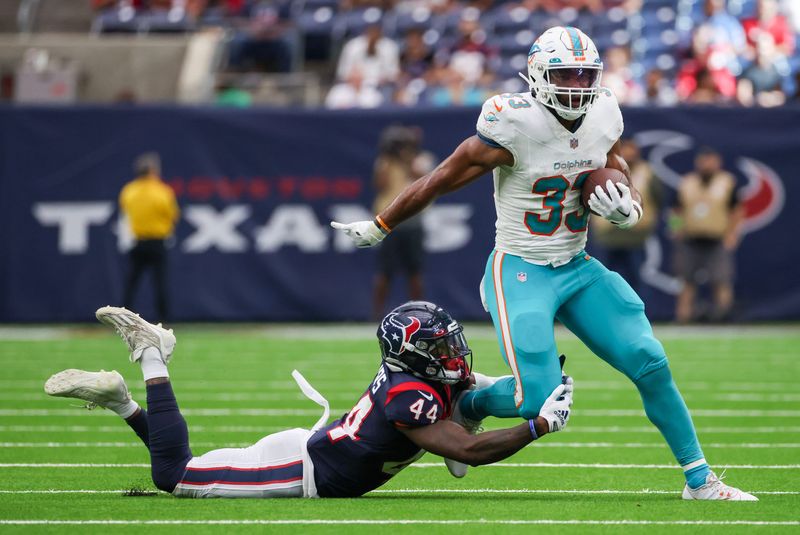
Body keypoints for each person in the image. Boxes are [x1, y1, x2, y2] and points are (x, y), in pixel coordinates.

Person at [331, 26, 756, 501]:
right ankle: (470, 405)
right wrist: (382, 224)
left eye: (584, 75)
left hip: (577, 265)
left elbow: (616, 166)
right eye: (565, 75)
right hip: (521, 269)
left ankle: (700, 480)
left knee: (650, 361)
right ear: (537, 75)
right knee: (538, 400)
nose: (577, 86)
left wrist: (630, 205)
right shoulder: (513, 123)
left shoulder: (604, 112)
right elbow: (441, 177)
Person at [44, 302, 573, 498]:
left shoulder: (416, 374)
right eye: (440, 347)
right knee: (174, 476)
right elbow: (467, 452)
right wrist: (539, 425)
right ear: (413, 354)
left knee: (186, 467)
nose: (453, 353)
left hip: (311, 452)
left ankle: (121, 402)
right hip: (300, 471)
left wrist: (532, 387)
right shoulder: (409, 394)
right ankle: (150, 355)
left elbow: (475, 390)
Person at [672, 147, 744, 324]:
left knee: (721, 279)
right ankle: (683, 318)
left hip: (716, 238)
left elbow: (737, 211)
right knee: (686, 280)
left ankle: (725, 316)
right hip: (690, 238)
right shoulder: (687, 182)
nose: (707, 165)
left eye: (711, 161)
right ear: (697, 162)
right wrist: (676, 230)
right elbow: (676, 210)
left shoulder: (727, 182)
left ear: (718, 163)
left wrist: (732, 234)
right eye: (704, 161)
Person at [372, 126, 432, 319]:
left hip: (413, 221)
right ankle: (377, 315)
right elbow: (380, 184)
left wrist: (407, 160)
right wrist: (389, 159)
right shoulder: (385, 161)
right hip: (389, 223)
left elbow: (423, 179)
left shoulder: (422, 159)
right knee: (385, 271)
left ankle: (419, 314)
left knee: (414, 271)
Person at [590, 138, 661, 295]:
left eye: (631, 149)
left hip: (635, 235)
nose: (628, 154)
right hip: (607, 234)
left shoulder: (647, 173)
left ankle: (637, 308)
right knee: (602, 279)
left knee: (635, 279)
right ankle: (603, 308)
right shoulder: (600, 169)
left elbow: (660, 201)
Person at [119, 152, 180, 323]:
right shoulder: (162, 191)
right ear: (153, 170)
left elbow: (125, 212)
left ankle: (123, 318)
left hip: (137, 241)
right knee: (160, 282)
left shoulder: (129, 190)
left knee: (132, 282)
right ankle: (164, 320)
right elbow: (173, 215)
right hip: (157, 242)